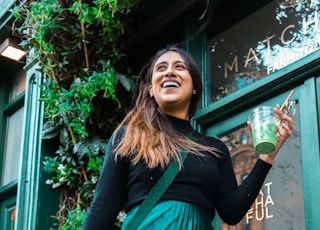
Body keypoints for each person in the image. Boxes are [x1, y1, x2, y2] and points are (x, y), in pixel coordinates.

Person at [82, 45, 293, 229]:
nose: (169, 72)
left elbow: (231, 212)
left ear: (194, 87)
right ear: (151, 89)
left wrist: (267, 157)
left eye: (179, 67)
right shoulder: (129, 136)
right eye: (161, 68)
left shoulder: (215, 148)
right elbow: (101, 212)